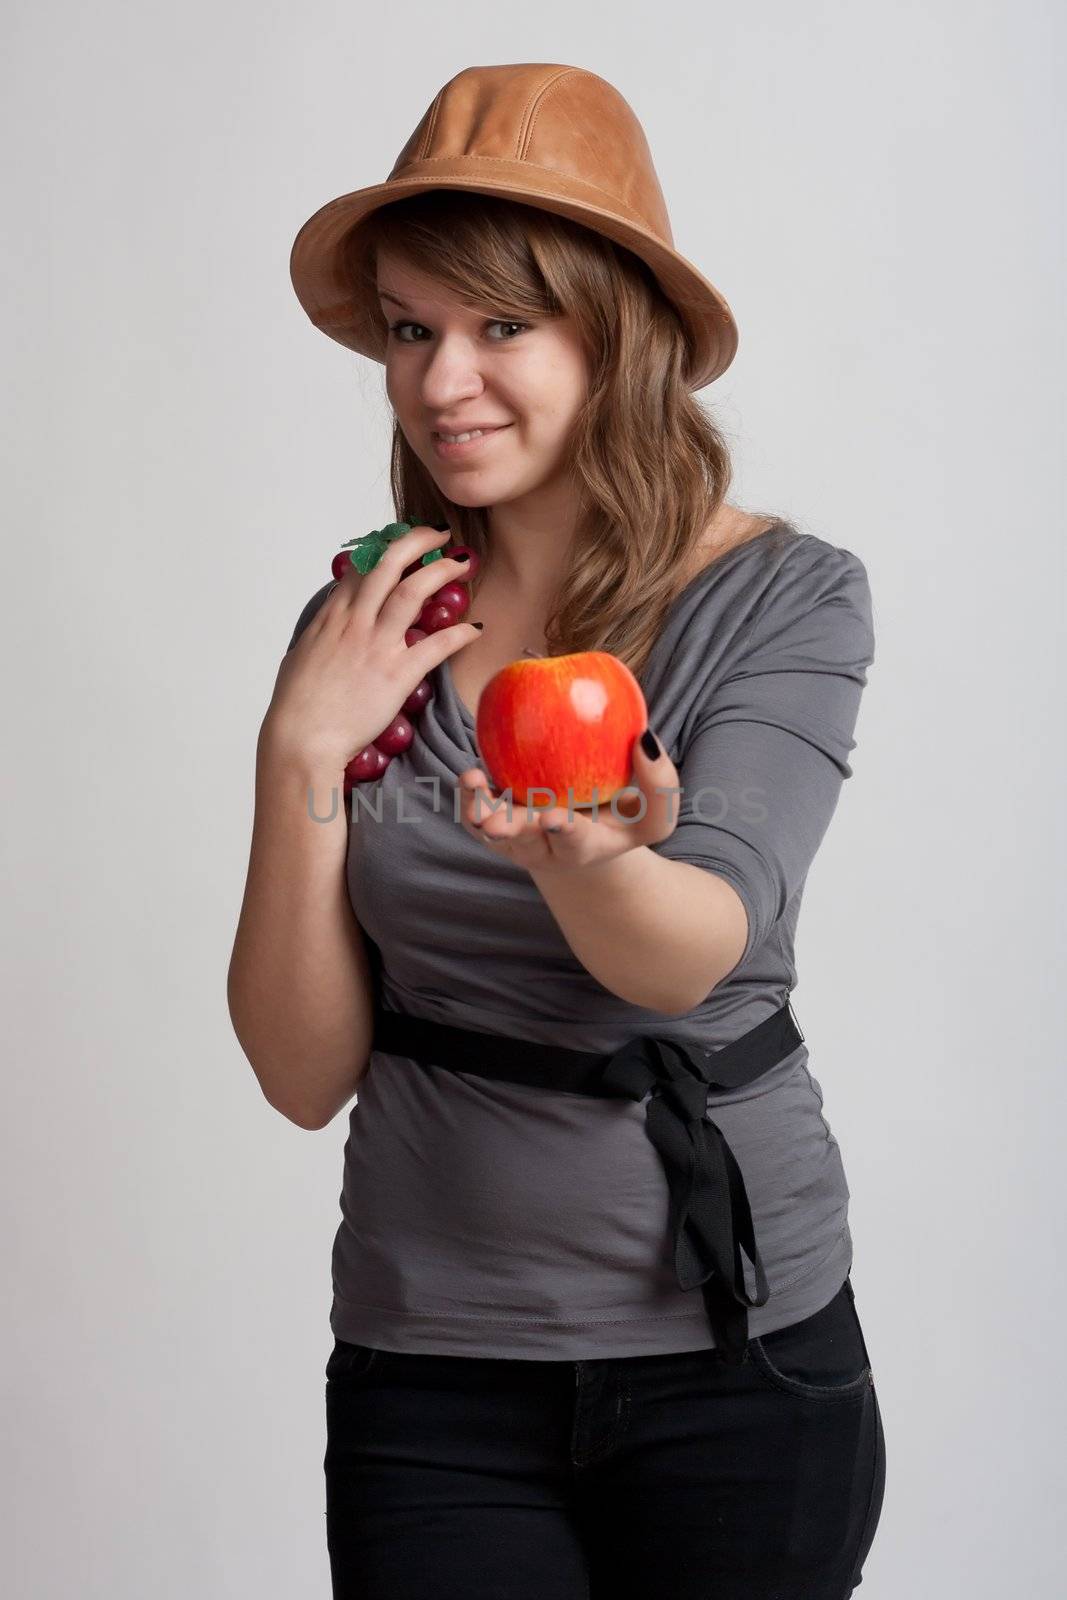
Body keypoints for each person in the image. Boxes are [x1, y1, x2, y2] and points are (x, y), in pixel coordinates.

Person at [227, 63, 887, 1600]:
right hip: (431, 1364)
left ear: (617, 335)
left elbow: (695, 952)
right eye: (411, 329)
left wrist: (587, 859)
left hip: (741, 1360)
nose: (443, 381)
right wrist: (296, 756)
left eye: (501, 327)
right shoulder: (365, 625)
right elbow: (300, 1071)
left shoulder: (786, 599)